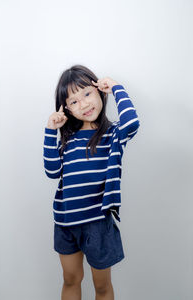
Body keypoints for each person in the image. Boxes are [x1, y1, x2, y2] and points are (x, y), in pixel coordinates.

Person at [43, 64, 140, 299]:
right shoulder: (68, 139)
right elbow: (52, 171)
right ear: (66, 109)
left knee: (102, 287)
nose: (84, 104)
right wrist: (50, 130)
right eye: (73, 101)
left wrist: (116, 87)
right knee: (70, 279)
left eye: (87, 94)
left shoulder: (113, 134)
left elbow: (132, 122)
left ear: (100, 92)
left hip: (97, 223)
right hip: (65, 222)